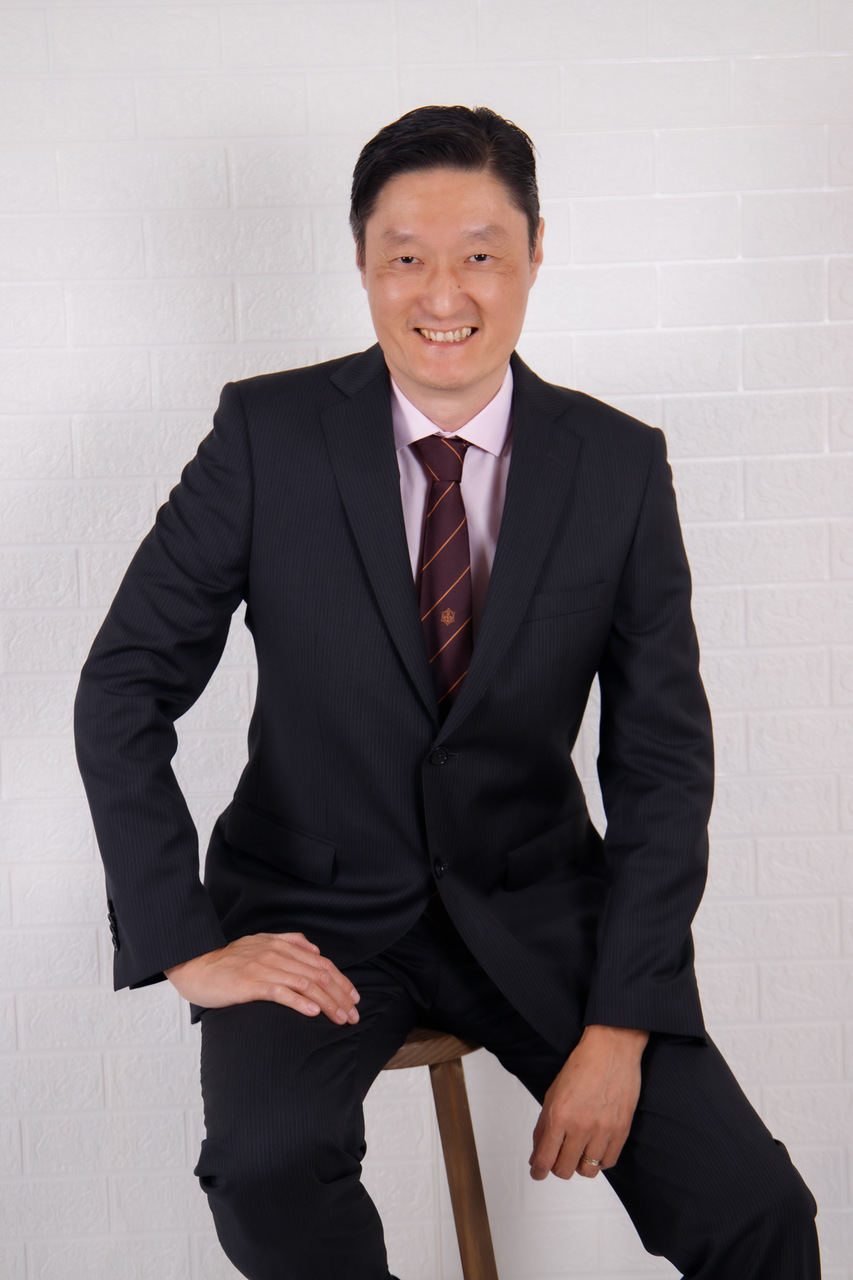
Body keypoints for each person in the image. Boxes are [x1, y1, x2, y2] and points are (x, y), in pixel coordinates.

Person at [75, 105, 820, 1280]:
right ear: (361, 262)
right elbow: (124, 685)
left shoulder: (617, 466)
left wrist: (621, 1021)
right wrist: (186, 943)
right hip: (308, 909)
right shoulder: (267, 435)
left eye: (480, 254)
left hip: (539, 909)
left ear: (535, 251)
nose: (442, 295)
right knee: (268, 1170)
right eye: (405, 257)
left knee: (755, 1208)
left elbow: (661, 764)